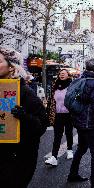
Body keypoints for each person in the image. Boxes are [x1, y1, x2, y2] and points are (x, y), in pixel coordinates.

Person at [0, 47, 48, 187]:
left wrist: (24, 117)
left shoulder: (26, 93)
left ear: (11, 67)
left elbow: (41, 125)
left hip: (17, 159)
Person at [67, 59, 94, 188]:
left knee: (81, 148)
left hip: (79, 122)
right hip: (89, 124)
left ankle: (72, 174)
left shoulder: (78, 80)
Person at [45, 69, 73, 166]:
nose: (61, 75)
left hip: (69, 114)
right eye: (60, 74)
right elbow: (51, 100)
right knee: (57, 135)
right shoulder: (55, 85)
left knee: (69, 132)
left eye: (63, 74)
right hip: (57, 114)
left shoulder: (71, 85)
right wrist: (48, 111)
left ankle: (69, 150)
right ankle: (54, 157)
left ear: (68, 75)